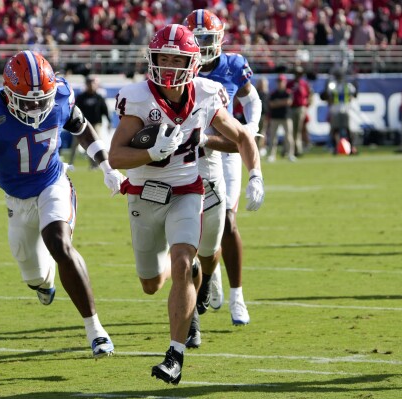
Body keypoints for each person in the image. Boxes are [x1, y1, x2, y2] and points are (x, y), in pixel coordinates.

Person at [0, 50, 124, 358]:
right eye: (28, 101)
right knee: (34, 276)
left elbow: (80, 128)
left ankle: (95, 330)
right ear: (8, 94)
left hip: (53, 183)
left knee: (59, 243)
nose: (37, 107)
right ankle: (44, 282)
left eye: (42, 99)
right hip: (16, 199)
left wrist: (106, 166)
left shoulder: (62, 95)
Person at [108, 24, 264, 385]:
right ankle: (177, 273)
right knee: (150, 283)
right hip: (144, 195)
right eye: (162, 58)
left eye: (176, 59)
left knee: (182, 262)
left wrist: (255, 171)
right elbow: (115, 155)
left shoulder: (208, 93)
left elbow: (240, 135)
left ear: (192, 62)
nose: (168, 65)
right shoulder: (138, 99)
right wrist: (149, 152)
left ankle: (175, 355)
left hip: (186, 189)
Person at [183, 9, 264, 329]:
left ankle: (237, 295)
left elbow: (251, 97)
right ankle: (210, 268)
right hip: (189, 153)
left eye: (207, 39)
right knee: (195, 222)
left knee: (228, 221)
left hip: (224, 151)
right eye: (197, 38)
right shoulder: (181, 66)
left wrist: (250, 129)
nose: (202, 45)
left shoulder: (232, 65)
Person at [70, 75, 111, 168]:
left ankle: (95, 165)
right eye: (89, 83)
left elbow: (105, 110)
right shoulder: (81, 97)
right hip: (81, 124)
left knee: (95, 144)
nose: (91, 85)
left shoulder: (99, 97)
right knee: (75, 144)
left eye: (93, 83)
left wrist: (109, 121)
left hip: (96, 124)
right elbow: (74, 110)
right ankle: (70, 164)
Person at [321, 66, 358, 154]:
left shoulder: (341, 86)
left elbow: (354, 95)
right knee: (338, 130)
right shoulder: (341, 86)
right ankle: (339, 148)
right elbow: (325, 96)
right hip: (341, 110)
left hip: (340, 109)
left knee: (343, 130)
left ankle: (349, 148)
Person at [266, 74, 294, 162]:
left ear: (284, 82)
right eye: (278, 82)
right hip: (275, 117)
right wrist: (281, 102)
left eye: (281, 81)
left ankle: (290, 154)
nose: (279, 83)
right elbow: (271, 104)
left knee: (288, 136)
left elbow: (288, 102)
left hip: (286, 117)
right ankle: (271, 155)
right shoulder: (274, 93)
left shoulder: (288, 92)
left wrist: (277, 102)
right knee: (273, 137)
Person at [287, 66, 312, 156]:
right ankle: (291, 149)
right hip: (291, 108)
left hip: (300, 108)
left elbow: (309, 95)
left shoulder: (304, 84)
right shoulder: (290, 84)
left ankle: (297, 149)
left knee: (298, 129)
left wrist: (306, 106)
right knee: (290, 129)